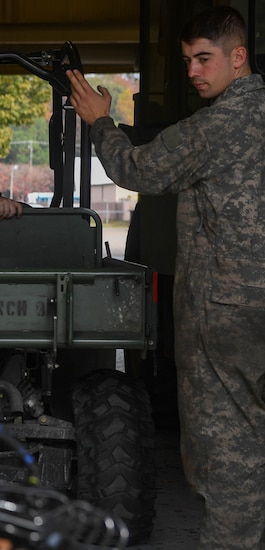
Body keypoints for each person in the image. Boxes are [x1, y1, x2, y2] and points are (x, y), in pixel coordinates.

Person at [66, 6, 265, 549]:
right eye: (187, 61)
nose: (194, 72)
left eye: (204, 58)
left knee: (227, 458)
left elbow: (139, 170)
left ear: (239, 56)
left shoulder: (218, 126)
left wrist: (98, 122)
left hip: (227, 316)